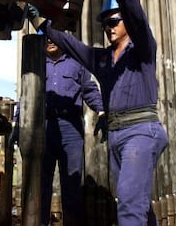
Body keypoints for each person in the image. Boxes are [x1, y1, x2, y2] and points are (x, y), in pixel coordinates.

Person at [28, 0, 169, 225]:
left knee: (128, 203)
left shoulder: (142, 50)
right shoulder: (102, 59)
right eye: (105, 23)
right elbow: (70, 44)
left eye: (115, 20)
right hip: (117, 134)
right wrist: (40, 22)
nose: (109, 26)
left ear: (125, 21)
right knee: (137, 202)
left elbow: (138, 19)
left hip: (141, 130)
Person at [11, 39, 105, 226]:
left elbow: (89, 90)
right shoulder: (37, 64)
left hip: (70, 128)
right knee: (41, 183)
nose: (49, 41)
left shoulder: (77, 63)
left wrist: (102, 110)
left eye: (54, 37)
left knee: (72, 183)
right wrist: (17, 123)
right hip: (42, 128)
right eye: (46, 37)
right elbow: (26, 96)